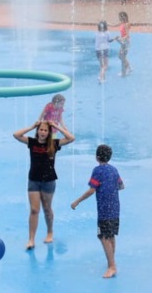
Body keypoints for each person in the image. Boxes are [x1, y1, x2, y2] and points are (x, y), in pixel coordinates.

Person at [14, 119, 75, 250]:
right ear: (38, 131)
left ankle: (50, 231)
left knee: (47, 209)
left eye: (45, 130)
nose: (42, 132)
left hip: (48, 181)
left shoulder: (53, 143)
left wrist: (56, 127)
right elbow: (16, 135)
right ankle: (31, 239)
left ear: (48, 132)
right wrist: (31, 126)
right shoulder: (32, 142)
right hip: (34, 180)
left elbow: (71, 138)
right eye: (41, 129)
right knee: (34, 210)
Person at [71, 144, 125, 278]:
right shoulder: (114, 170)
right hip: (115, 207)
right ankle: (111, 262)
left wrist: (77, 201)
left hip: (104, 210)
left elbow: (92, 189)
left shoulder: (98, 171)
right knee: (111, 235)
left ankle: (112, 266)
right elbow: (121, 186)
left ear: (97, 157)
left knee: (104, 237)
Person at [116, 11, 132, 78]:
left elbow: (127, 35)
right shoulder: (122, 23)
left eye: (119, 17)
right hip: (123, 41)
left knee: (121, 56)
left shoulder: (126, 24)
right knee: (121, 56)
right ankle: (129, 68)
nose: (119, 18)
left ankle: (126, 70)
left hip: (125, 42)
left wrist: (121, 38)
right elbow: (115, 24)